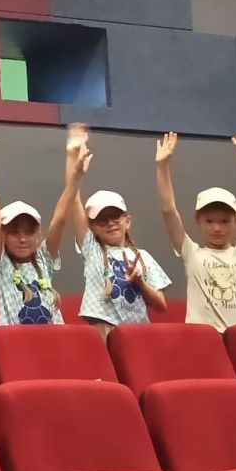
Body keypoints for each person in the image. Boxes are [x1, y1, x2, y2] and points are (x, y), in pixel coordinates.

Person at [0, 127, 90, 325]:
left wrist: (76, 176)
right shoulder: (0, 263)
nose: (23, 239)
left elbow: (60, 218)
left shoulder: (43, 258)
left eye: (29, 232)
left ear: (38, 236)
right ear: (4, 236)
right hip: (15, 341)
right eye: (14, 232)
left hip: (54, 339)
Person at [156, 131, 236, 331]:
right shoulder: (191, 253)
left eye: (224, 221)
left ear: (235, 221)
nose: (217, 228)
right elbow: (168, 210)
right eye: (209, 221)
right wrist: (162, 166)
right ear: (199, 221)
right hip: (203, 340)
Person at [69, 127, 169, 337]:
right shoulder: (92, 248)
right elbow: (73, 201)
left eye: (115, 217)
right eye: (102, 219)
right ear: (92, 226)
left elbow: (161, 305)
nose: (110, 223)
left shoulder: (143, 257)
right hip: (103, 327)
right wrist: (73, 162)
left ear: (127, 221)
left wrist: (139, 282)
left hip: (138, 333)